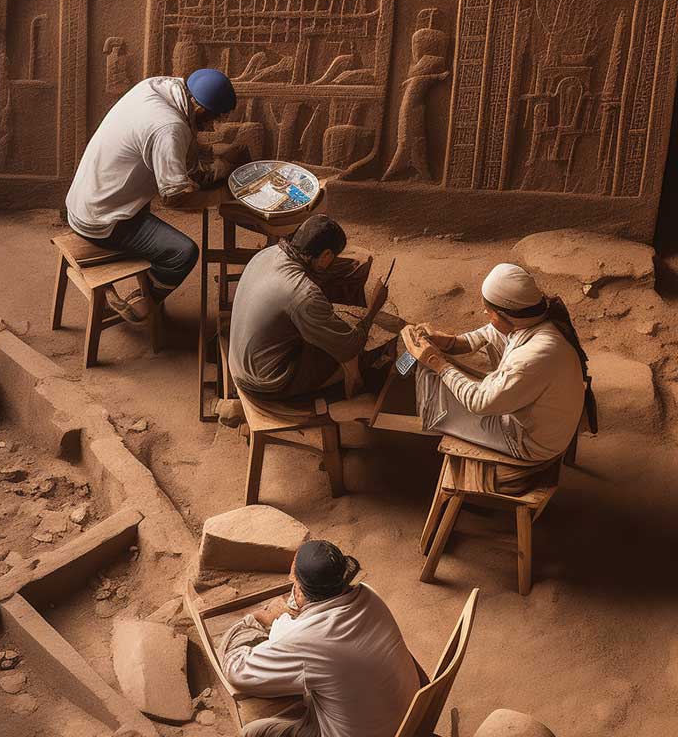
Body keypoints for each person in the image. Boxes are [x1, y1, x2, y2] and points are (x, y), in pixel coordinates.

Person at [65, 68, 237, 323]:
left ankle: (146, 284)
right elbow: (174, 200)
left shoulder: (157, 87)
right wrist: (222, 195)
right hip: (103, 221)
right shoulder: (169, 127)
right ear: (199, 109)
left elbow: (180, 141)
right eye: (212, 118)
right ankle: (143, 301)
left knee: (169, 194)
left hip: (82, 201)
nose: (212, 125)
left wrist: (209, 155)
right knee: (184, 253)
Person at [401, 262, 592, 490]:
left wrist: (435, 362)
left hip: (529, 443)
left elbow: (479, 402)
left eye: (488, 311)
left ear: (503, 314)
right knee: (441, 368)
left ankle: (422, 442)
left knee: (431, 376)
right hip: (543, 426)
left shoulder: (535, 354)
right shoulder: (534, 317)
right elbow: (484, 335)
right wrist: (447, 342)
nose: (485, 314)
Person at [219, 539, 419, 737]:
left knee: (254, 732)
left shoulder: (300, 637)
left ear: (298, 591)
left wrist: (260, 617)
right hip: (410, 723)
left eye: (294, 582)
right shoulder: (370, 595)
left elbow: (235, 669)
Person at [228, 215, 395, 404]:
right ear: (326, 256)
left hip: (239, 365)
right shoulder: (303, 294)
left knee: (324, 326)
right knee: (366, 352)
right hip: (267, 383)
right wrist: (373, 309)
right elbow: (350, 345)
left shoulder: (268, 253)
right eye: (333, 257)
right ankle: (358, 397)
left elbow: (313, 277)